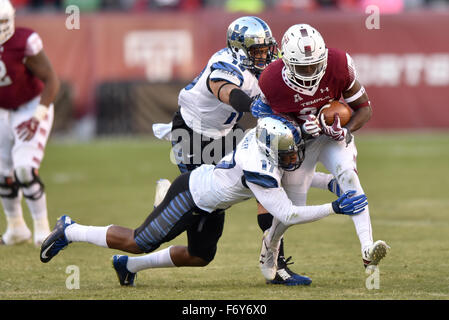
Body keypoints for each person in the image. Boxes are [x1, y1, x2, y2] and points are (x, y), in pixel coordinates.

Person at [40, 114, 368, 287]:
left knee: (200, 256)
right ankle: (70, 230)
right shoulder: (259, 166)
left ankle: (128, 267)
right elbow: (286, 212)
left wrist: (330, 186)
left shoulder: (266, 146)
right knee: (139, 241)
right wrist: (335, 206)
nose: (293, 156)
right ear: (271, 150)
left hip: (213, 202)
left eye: (293, 149)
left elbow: (292, 175)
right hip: (190, 197)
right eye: (287, 152)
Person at [152, 16, 341, 285]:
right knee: (203, 224)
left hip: (228, 131)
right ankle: (168, 198)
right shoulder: (225, 64)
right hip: (194, 134)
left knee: (268, 182)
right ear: (239, 49)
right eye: (258, 51)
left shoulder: (264, 66)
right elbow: (227, 92)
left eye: (267, 49)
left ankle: (276, 266)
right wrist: (253, 106)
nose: (265, 56)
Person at [251, 24, 390, 273]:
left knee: (349, 176)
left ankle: (367, 250)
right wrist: (297, 128)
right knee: (291, 211)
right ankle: (270, 247)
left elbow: (364, 108)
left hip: (331, 136)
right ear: (288, 62)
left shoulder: (338, 64)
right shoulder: (271, 80)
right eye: (304, 66)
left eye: (315, 64)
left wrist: (345, 131)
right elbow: (264, 121)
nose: (311, 70)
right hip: (298, 144)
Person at [0, 0, 60, 246]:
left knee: (24, 168)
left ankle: (43, 229)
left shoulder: (24, 41)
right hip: (3, 110)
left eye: (3, 21)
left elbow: (51, 79)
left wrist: (37, 116)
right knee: (3, 173)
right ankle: (16, 228)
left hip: (30, 107)